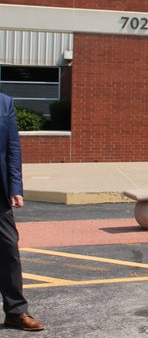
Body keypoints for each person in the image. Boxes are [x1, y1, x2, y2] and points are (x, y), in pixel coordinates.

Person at [0, 93, 44, 332]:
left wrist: (15, 186)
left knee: (8, 251)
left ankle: (16, 312)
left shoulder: (5, 103)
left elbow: (12, 148)